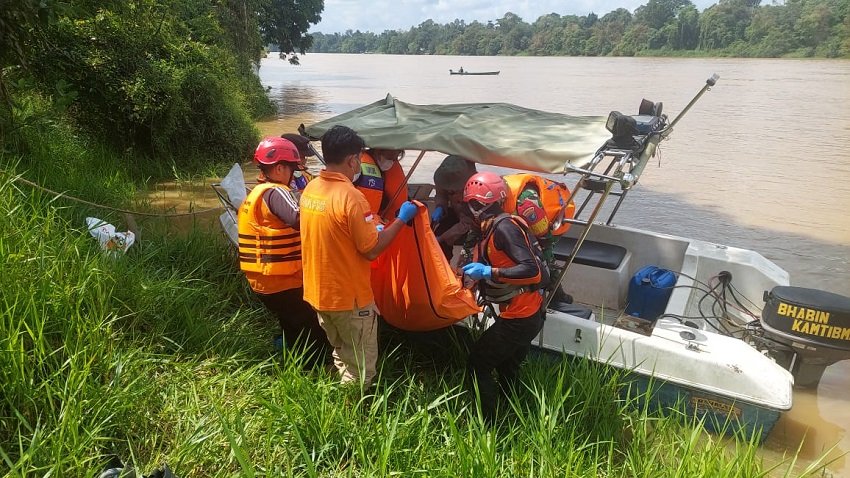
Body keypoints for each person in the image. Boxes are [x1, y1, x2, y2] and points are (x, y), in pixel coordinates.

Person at [300, 125, 418, 386]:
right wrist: (400, 220)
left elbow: (335, 232)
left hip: (319, 293)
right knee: (362, 369)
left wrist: (367, 228)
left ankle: (337, 397)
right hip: (349, 300)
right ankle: (352, 419)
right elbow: (372, 249)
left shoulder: (311, 190)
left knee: (341, 352)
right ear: (353, 160)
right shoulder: (352, 198)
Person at [460, 171, 549, 423]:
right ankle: (516, 415)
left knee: (478, 364)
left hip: (520, 317)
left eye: (471, 204)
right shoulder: (494, 227)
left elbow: (531, 270)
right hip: (527, 314)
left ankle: (488, 425)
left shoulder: (505, 228)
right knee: (507, 367)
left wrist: (490, 272)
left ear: (478, 206)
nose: (469, 210)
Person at [237, 137, 331, 367]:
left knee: (291, 322)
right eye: (292, 169)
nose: (293, 175)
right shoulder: (276, 191)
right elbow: (298, 218)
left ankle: (293, 363)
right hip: (282, 279)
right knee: (312, 325)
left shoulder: (256, 193)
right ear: (279, 168)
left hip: (264, 280)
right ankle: (314, 370)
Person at [431, 155, 477, 260]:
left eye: (454, 190)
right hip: (455, 213)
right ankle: (440, 266)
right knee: (436, 236)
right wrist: (440, 206)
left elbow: (466, 223)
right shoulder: (444, 176)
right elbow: (441, 193)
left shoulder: (476, 189)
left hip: (473, 223)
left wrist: (442, 238)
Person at [353, 147, 408, 220]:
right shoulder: (357, 168)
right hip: (358, 220)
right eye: (389, 157)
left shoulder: (389, 170)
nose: (391, 161)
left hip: (378, 222)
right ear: (378, 151)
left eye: (395, 158)